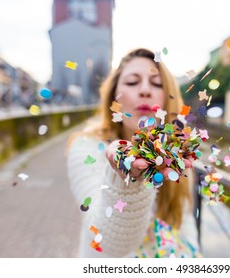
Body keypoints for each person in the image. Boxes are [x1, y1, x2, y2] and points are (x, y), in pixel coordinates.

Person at [66, 48, 201, 258]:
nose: (145, 90)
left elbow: (185, 226)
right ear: (113, 95)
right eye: (132, 82)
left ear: (168, 97)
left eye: (157, 84)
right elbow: (106, 243)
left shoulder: (177, 154)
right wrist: (126, 182)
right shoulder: (86, 147)